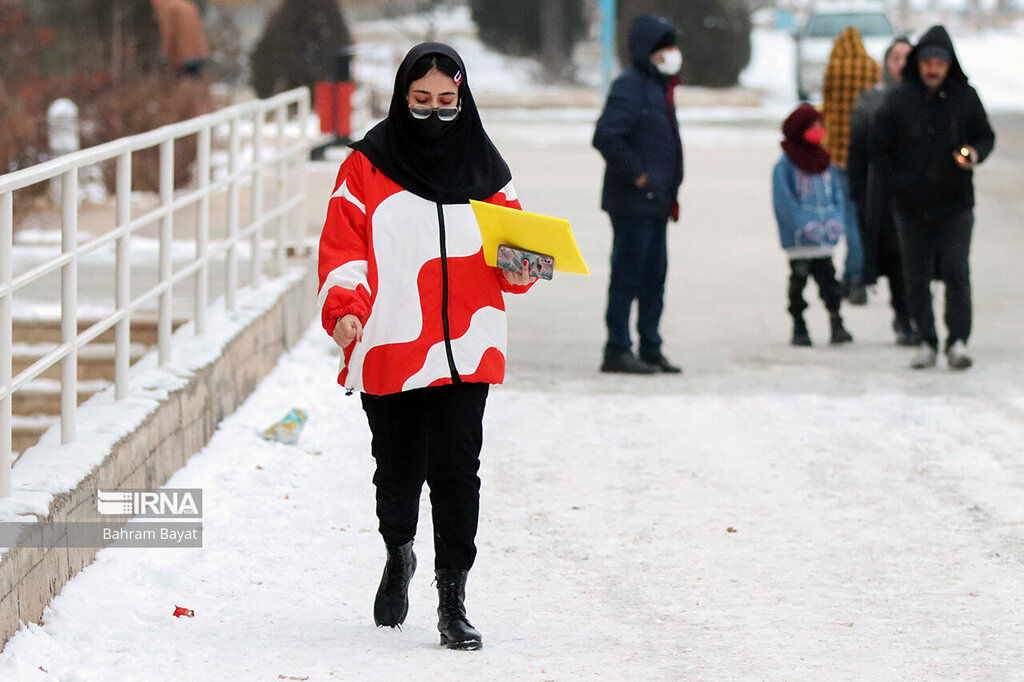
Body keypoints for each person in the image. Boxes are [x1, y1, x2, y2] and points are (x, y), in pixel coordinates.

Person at [317, 43, 537, 650]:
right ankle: (399, 551)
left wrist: (529, 265)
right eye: (421, 102)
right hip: (390, 343)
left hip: (468, 347)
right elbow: (343, 248)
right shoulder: (365, 166)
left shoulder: (488, 170)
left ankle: (453, 599)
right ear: (400, 97)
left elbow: (511, 263)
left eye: (447, 101)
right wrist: (345, 312)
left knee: (458, 472)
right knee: (397, 470)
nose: (436, 113)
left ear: (462, 98)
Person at [871, 25, 995, 370]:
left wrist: (974, 153)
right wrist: (897, 182)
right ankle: (925, 339)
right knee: (916, 276)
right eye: (927, 61)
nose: (933, 68)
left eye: (940, 61)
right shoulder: (898, 99)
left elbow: (985, 136)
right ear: (918, 64)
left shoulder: (965, 97)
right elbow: (879, 148)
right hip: (911, 207)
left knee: (956, 272)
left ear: (950, 64)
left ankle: (958, 340)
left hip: (955, 203)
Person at [593, 14, 684, 375]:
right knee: (628, 276)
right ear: (649, 51)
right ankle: (617, 348)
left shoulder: (660, 86)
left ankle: (650, 346)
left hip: (657, 203)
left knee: (654, 278)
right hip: (633, 202)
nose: (673, 53)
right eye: (665, 47)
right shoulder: (630, 84)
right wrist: (639, 175)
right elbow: (606, 136)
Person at [847, 37, 917, 346]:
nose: (901, 64)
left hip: (921, 196)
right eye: (895, 57)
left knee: (919, 261)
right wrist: (860, 194)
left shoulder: (928, 99)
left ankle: (919, 319)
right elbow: (857, 154)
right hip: (884, 196)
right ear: (886, 63)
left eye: (908, 57)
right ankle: (904, 318)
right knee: (896, 259)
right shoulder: (871, 101)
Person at [771, 103, 854, 347]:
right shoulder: (785, 166)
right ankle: (799, 325)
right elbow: (784, 202)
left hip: (826, 239)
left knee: (830, 282)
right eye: (813, 126)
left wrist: (837, 222)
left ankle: (836, 322)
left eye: (820, 125)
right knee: (798, 283)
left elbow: (838, 196)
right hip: (800, 242)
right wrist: (803, 226)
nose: (819, 130)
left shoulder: (825, 162)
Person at [821, 26, 881, 306]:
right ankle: (857, 275)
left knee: (848, 215)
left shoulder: (833, 68)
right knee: (863, 214)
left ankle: (854, 276)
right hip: (865, 151)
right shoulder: (872, 67)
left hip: (838, 151)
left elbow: (827, 106)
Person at [151, 0, 209, 77]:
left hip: (182, 56)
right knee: (194, 82)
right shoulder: (188, 5)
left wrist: (165, 56)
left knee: (182, 83)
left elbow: (168, 34)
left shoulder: (168, 9)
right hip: (198, 52)